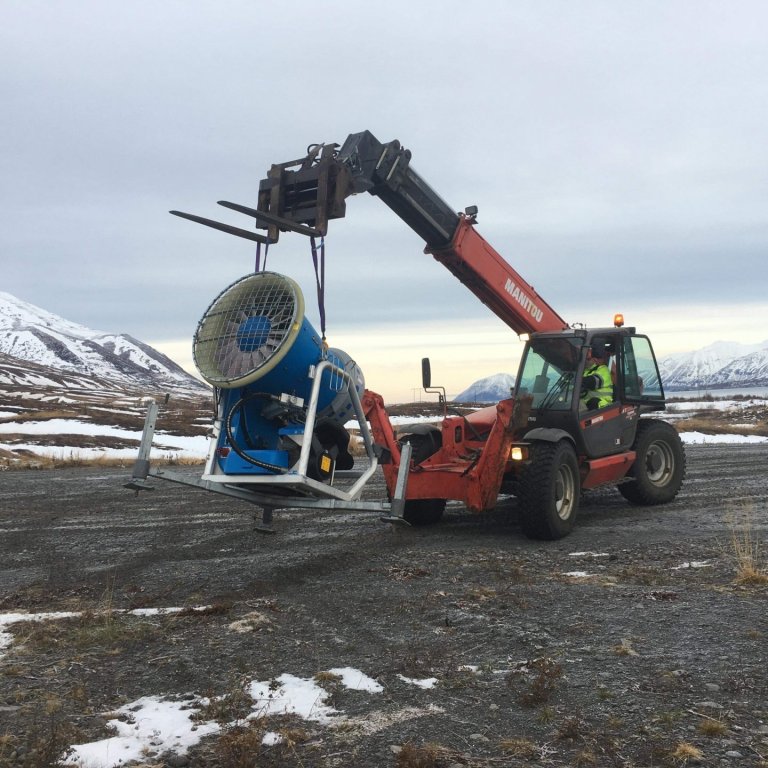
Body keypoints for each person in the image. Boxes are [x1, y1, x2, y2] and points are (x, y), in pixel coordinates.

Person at [580, 341, 613, 410]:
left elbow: (592, 381)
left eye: (588, 359)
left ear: (594, 359)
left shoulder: (603, 369)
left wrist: (577, 381)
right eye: (584, 359)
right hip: (586, 405)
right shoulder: (585, 371)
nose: (585, 361)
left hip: (602, 405)